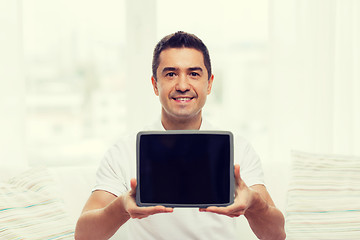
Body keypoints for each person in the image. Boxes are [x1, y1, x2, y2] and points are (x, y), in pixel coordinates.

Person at [75, 31, 286, 240]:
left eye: (194, 74)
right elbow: (84, 236)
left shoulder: (237, 148)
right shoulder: (124, 151)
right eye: (170, 74)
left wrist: (254, 204)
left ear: (209, 83)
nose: (182, 86)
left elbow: (276, 235)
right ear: (155, 85)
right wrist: (121, 207)